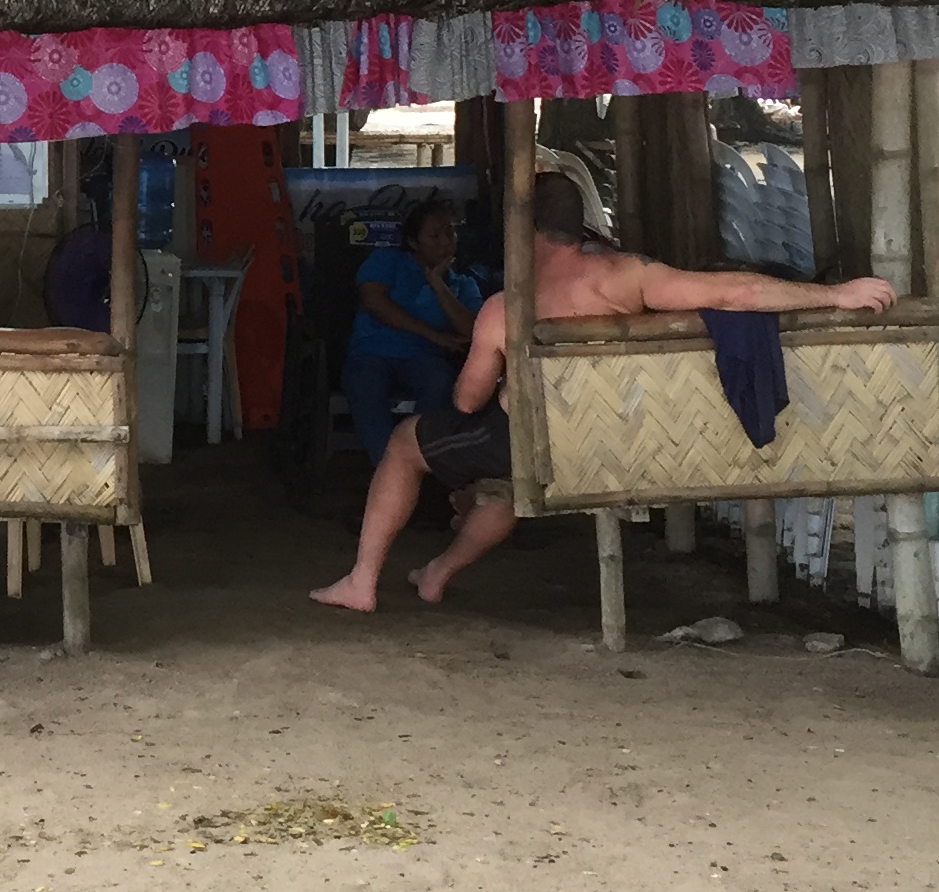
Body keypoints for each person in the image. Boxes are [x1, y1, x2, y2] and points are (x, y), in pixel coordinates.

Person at [311, 175, 895, 613]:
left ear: (525, 231)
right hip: (621, 438)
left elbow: (466, 402)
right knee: (502, 486)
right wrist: (835, 295)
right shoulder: (626, 275)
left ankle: (362, 580)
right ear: (579, 227)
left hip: (538, 446)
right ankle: (436, 572)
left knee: (407, 443)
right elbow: (737, 290)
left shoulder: (504, 308)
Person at [341, 199, 484, 449]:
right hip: (373, 352)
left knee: (440, 383)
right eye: (434, 235)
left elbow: (472, 330)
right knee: (364, 386)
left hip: (424, 359)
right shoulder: (388, 260)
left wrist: (438, 285)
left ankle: (420, 460)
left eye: (450, 233)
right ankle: (388, 468)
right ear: (413, 242)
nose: (445, 242)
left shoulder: (462, 283)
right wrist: (432, 335)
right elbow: (373, 301)